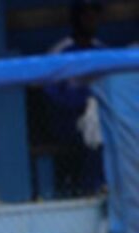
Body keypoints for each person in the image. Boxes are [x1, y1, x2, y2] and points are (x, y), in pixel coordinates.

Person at [44, 0, 108, 196]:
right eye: (86, 15)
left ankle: (105, 186)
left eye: (95, 14)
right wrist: (80, 105)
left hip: (99, 117)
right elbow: (50, 97)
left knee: (99, 125)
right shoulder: (61, 51)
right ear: (76, 18)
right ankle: (93, 188)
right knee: (92, 127)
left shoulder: (103, 51)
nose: (91, 20)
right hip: (66, 121)